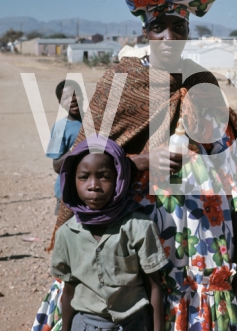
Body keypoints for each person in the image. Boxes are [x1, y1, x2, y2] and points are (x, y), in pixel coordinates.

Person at [47, 0, 237, 331]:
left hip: (205, 247)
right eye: (159, 27)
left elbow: (227, 174)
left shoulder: (203, 84)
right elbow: (69, 164)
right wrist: (139, 161)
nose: (168, 37)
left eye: (178, 27)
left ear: (188, 32)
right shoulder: (121, 83)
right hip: (137, 246)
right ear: (146, 32)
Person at [51, 136, 168, 330]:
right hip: (86, 325)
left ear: (119, 179)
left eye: (104, 176)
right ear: (72, 181)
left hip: (134, 323)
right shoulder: (66, 234)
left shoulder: (138, 226)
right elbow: (69, 290)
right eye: (83, 177)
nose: (94, 185)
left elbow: (154, 286)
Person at [47, 80, 83, 214]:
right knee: (66, 232)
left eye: (75, 94)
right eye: (66, 98)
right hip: (68, 193)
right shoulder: (60, 128)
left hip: (93, 191)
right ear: (60, 104)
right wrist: (76, 148)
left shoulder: (95, 122)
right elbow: (57, 166)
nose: (72, 100)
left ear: (82, 96)